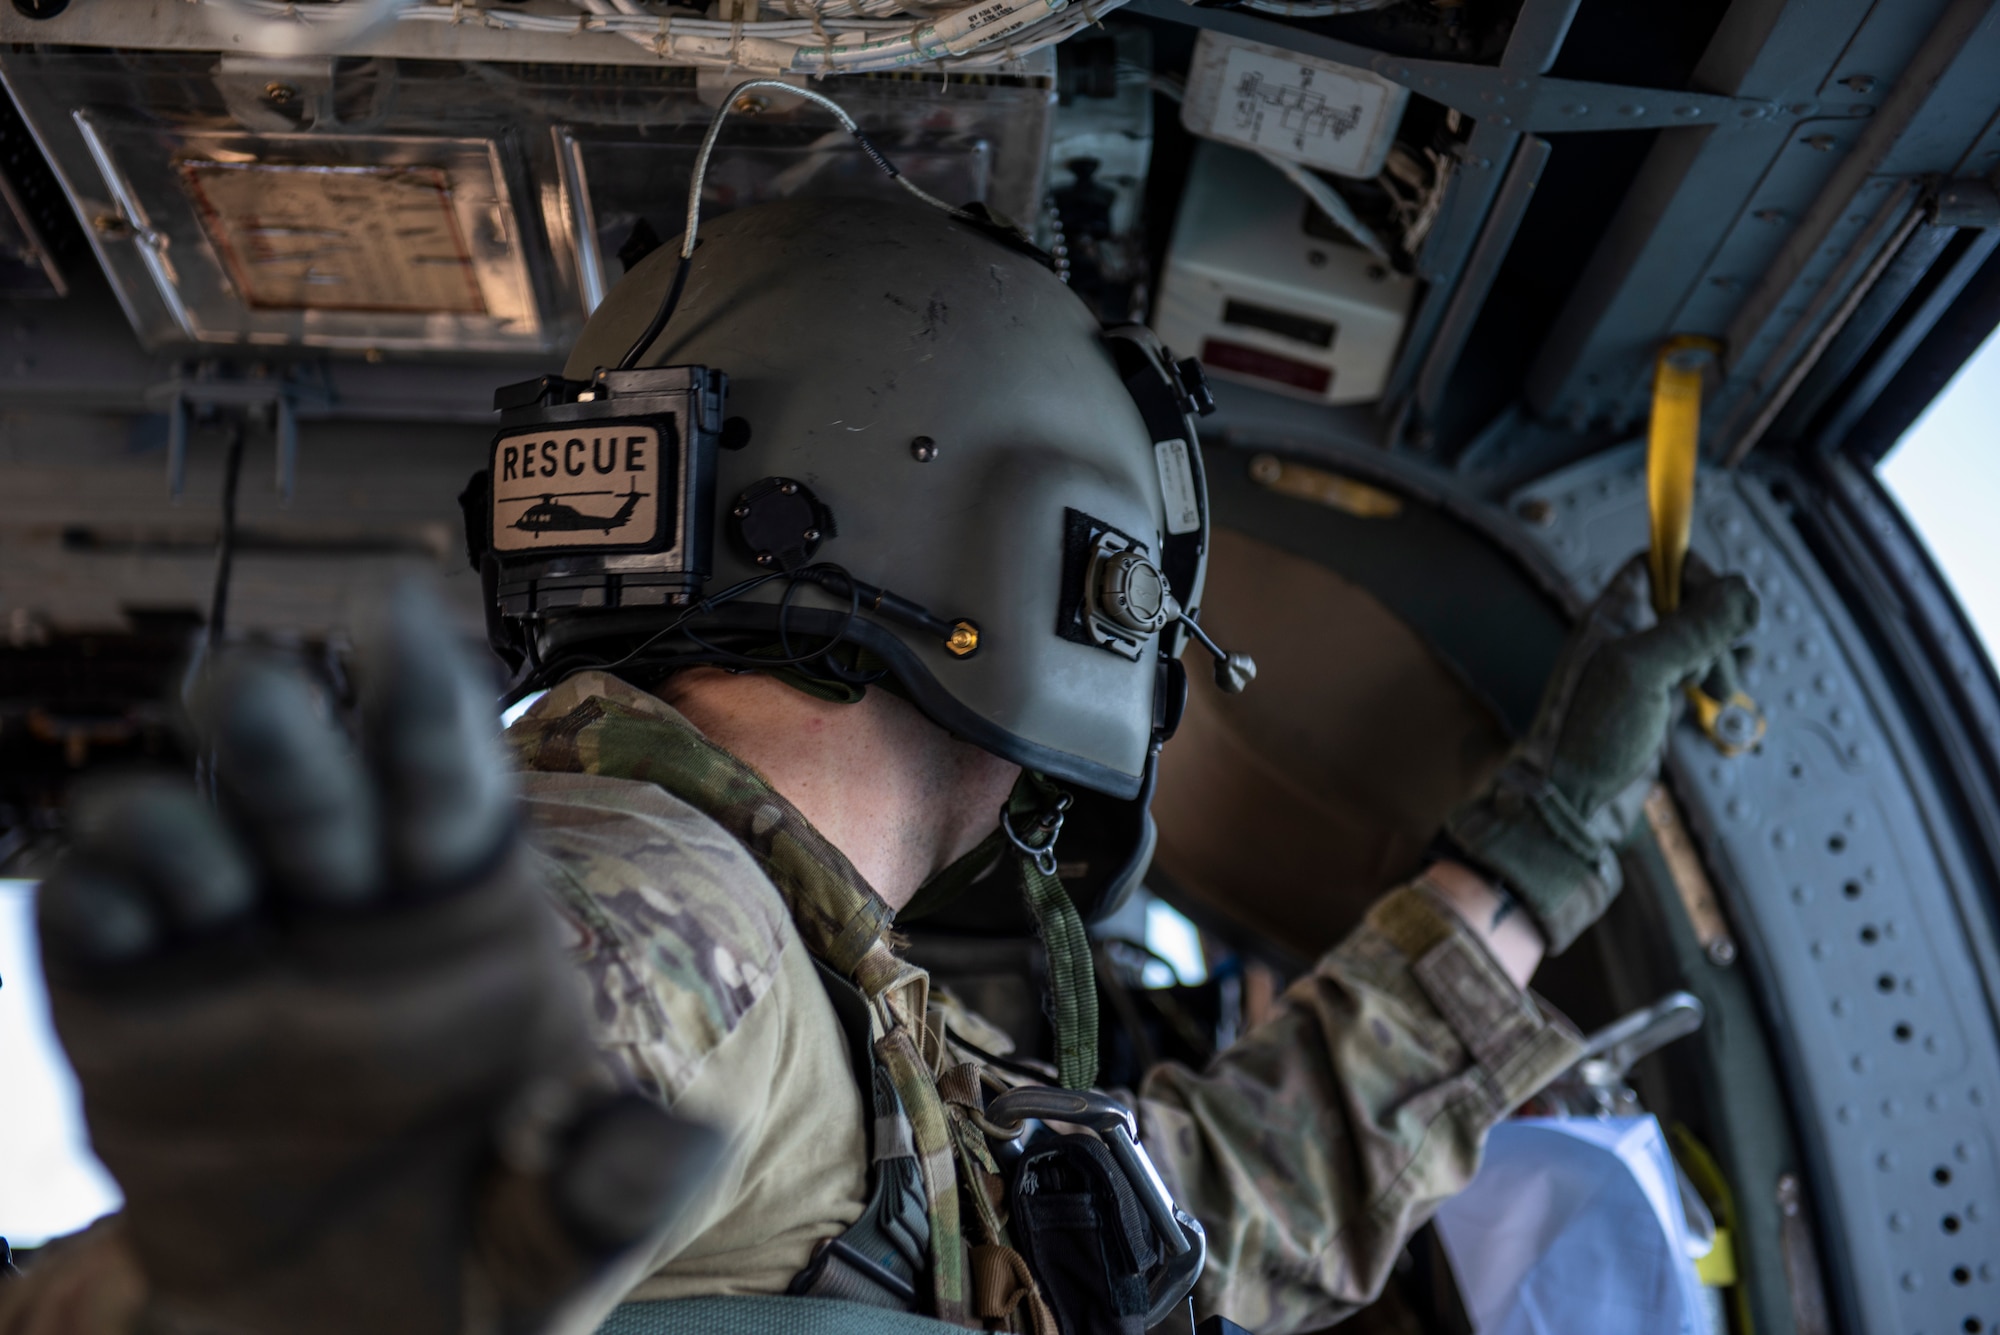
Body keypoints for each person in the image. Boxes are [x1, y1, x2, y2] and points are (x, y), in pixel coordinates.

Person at [1, 192, 1758, 1335]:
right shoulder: (680, 913)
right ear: (1041, 566)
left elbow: (1206, 1212)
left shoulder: (836, 998)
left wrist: (1536, 851)